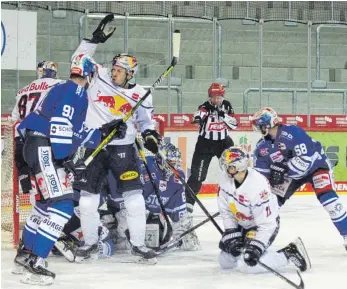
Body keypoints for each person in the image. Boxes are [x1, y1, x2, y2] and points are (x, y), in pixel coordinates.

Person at [70, 14, 160, 264]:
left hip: (124, 151)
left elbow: (145, 122)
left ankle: (139, 245)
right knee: (88, 201)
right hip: (94, 147)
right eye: (115, 67)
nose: (115, 72)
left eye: (120, 70)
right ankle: (88, 242)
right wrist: (92, 40)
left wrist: (151, 134)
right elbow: (78, 60)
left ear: (131, 73)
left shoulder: (141, 94)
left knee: (135, 198)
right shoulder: (98, 76)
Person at [13, 54, 105, 285]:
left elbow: (73, 128)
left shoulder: (64, 88)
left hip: (35, 145)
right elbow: (60, 125)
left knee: (44, 205)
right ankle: (36, 262)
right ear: (87, 74)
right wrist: (67, 159)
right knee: (63, 204)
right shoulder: (75, 92)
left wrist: (102, 132)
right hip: (45, 147)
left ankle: (25, 255)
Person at [252, 107, 347, 250]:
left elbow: (306, 160)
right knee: (269, 205)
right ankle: (257, 240)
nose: (257, 128)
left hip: (317, 167)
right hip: (290, 174)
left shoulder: (292, 132)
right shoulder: (261, 147)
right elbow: (260, 177)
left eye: (259, 125)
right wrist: (264, 184)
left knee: (330, 202)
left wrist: (282, 170)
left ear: (267, 124)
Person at [217, 147, 311, 274]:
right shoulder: (225, 179)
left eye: (228, 166)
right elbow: (226, 211)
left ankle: (288, 253)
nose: (225, 169)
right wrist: (232, 233)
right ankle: (248, 249)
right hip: (243, 223)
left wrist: (256, 247)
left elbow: (267, 224)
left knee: (249, 266)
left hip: (263, 226)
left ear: (238, 166)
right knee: (225, 262)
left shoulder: (257, 186)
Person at [103, 142, 200, 252]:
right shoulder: (142, 165)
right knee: (124, 227)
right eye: (171, 163)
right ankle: (117, 236)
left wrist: (183, 229)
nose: (174, 167)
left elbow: (178, 207)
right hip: (132, 211)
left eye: (176, 163)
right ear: (161, 160)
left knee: (190, 243)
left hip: (155, 217)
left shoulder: (177, 178)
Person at [11, 61, 63, 196]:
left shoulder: (21, 91)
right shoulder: (59, 85)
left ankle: (36, 208)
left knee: (32, 186)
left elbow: (14, 118)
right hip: (43, 139)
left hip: (22, 142)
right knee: (51, 183)